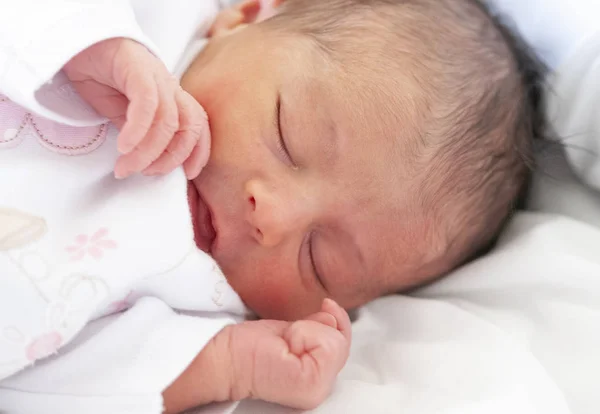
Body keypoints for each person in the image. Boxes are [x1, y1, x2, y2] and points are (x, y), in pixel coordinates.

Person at [0, 0, 545, 413]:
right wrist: (92, 42)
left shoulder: (194, 311)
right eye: (287, 135)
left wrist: (226, 366)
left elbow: (53, 389)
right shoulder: (153, 26)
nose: (273, 218)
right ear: (246, 15)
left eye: (320, 258)